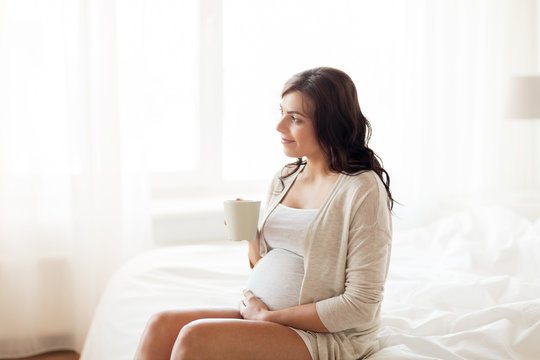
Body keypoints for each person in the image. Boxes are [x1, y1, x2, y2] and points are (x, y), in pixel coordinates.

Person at [134, 67, 394, 360]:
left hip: (322, 336)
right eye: (282, 113)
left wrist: (270, 319)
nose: (280, 127)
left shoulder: (362, 189)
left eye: (294, 119)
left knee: (195, 338)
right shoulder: (285, 178)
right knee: (160, 325)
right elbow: (266, 263)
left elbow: (361, 305)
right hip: (264, 317)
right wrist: (252, 240)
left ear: (329, 124)